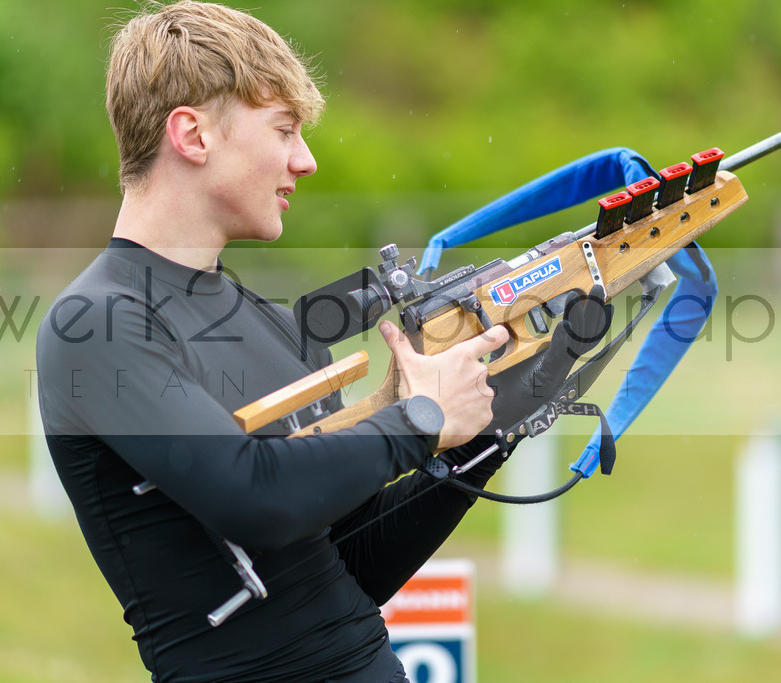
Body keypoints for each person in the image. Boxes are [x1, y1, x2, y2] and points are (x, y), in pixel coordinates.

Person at [36, 2, 609, 681]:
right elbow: (252, 498)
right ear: (191, 135)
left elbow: (354, 568)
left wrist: (486, 428)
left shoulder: (278, 324)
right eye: (284, 129)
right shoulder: (95, 327)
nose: (304, 161)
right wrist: (417, 421)